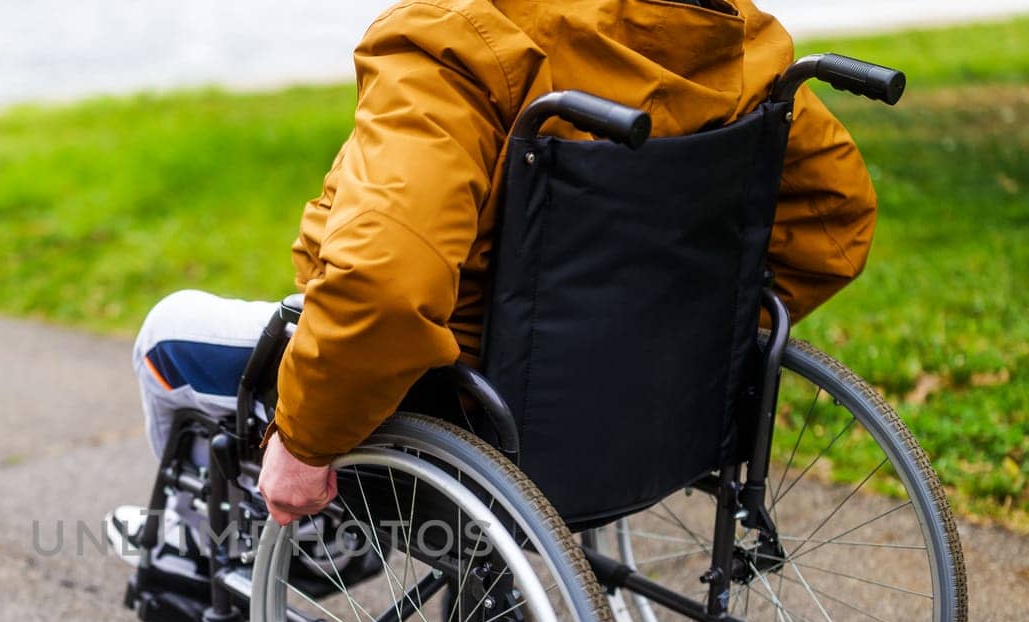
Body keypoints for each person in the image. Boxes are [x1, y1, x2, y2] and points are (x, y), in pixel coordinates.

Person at [125, 0, 876, 540]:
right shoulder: (731, 44)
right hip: (650, 397)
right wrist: (688, 335)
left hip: (468, 402)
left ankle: (197, 538)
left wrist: (305, 439)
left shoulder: (457, 42)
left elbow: (384, 291)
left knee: (167, 334)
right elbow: (833, 214)